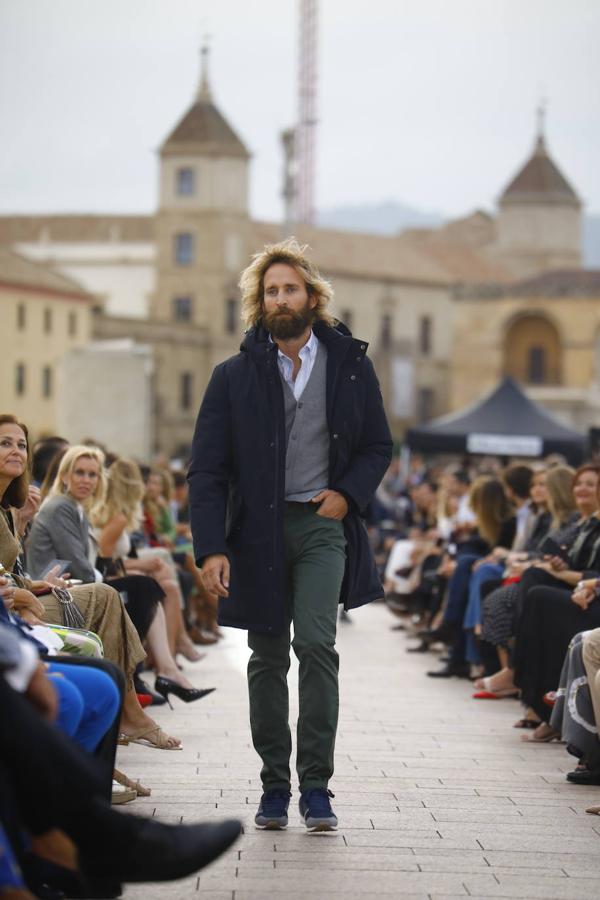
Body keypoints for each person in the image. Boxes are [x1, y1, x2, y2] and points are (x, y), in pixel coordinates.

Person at [188, 239, 392, 831]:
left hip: (323, 524)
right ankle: (274, 785)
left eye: (291, 288)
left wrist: (347, 494)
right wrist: (212, 546)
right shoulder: (232, 376)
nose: (281, 298)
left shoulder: (350, 365)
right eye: (271, 290)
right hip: (258, 532)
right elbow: (207, 468)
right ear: (259, 302)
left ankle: (318, 787)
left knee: (317, 648)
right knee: (267, 656)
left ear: (312, 297)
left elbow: (380, 444)